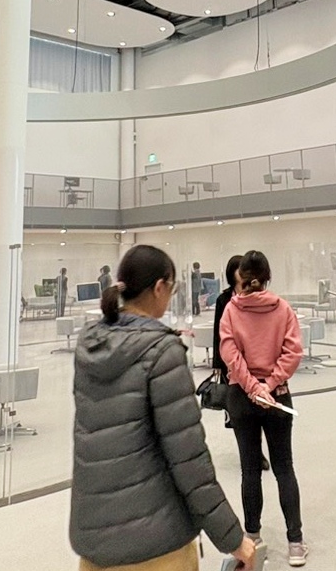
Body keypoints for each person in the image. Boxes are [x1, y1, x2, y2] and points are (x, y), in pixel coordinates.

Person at [71, 245, 256, 571]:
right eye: (171, 288)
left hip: (94, 544)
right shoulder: (162, 352)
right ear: (159, 287)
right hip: (157, 548)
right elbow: (189, 459)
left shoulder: (90, 347)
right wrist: (232, 538)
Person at [220, 250, 308, 566]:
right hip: (277, 397)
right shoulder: (283, 308)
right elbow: (293, 353)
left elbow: (230, 355)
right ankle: (295, 543)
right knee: (284, 468)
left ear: (241, 278)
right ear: (267, 278)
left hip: (241, 398)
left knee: (250, 470)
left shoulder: (231, 310)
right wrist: (268, 386)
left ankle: (253, 538)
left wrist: (252, 388)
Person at [214, 256, 270, 472]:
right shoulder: (224, 300)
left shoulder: (257, 296)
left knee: (259, 406)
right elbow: (219, 334)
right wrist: (218, 363)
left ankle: (259, 451)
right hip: (232, 364)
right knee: (240, 412)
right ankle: (250, 452)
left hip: (255, 363)